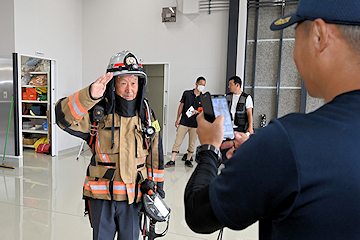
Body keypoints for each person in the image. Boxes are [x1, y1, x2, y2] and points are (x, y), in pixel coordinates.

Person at [184, 0, 360, 239]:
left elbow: (198, 213)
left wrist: (209, 148)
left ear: (319, 36)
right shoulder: (281, 149)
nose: (295, 55)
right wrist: (260, 156)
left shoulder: (287, 144)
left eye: (295, 38)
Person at [55, 50, 165, 240]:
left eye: (134, 82)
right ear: (113, 84)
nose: (129, 89)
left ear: (141, 84)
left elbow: (156, 155)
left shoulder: (147, 116)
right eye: (123, 83)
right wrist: (89, 95)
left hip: (134, 199)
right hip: (101, 199)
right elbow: (61, 117)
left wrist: (157, 190)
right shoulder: (97, 114)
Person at [165, 77, 206, 168]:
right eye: (201, 84)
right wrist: (177, 119)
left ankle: (188, 160)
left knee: (192, 143)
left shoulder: (203, 97)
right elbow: (181, 106)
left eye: (204, 85)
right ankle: (172, 160)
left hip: (195, 124)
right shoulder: (187, 93)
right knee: (177, 141)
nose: (202, 86)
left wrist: (197, 112)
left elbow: (204, 111)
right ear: (196, 84)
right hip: (183, 122)